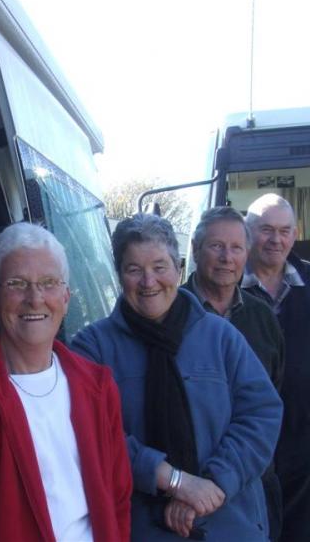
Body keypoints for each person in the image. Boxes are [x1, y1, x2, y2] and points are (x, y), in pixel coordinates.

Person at [72, 213, 282, 541]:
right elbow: (91, 433)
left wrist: (212, 484)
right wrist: (174, 482)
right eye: (134, 269)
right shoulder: (92, 348)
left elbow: (261, 414)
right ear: (119, 275)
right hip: (140, 528)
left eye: (159, 266)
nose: (148, 281)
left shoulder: (221, 336)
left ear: (179, 268)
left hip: (230, 522)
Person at [0, 222, 132, 542]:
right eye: (17, 283)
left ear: (66, 297)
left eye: (48, 283)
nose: (35, 298)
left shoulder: (98, 388)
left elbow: (118, 501)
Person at [182, 206, 284, 541]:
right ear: (196, 251)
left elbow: (269, 400)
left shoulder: (262, 317)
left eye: (236, 248)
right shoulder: (168, 312)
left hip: (250, 493)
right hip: (185, 498)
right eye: (216, 246)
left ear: (247, 254)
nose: (227, 257)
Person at [243, 193, 310, 542]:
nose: (276, 239)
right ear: (248, 231)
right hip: (247, 443)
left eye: (285, 231)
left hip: (304, 441)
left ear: (295, 234)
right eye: (266, 229)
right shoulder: (225, 284)